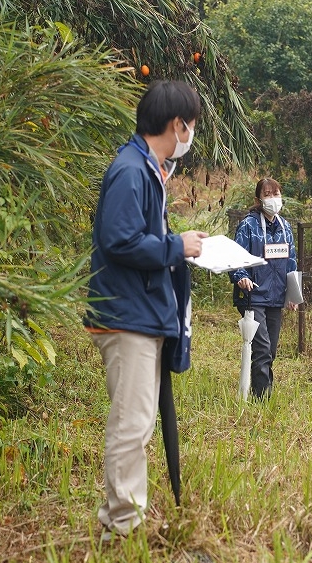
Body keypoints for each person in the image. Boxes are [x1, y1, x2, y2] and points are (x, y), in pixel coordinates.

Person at [84, 80, 208, 539]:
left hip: (142, 313)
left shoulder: (148, 169)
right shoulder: (131, 170)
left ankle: (123, 519)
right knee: (131, 423)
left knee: (137, 422)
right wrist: (178, 245)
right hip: (126, 315)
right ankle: (122, 527)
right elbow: (119, 240)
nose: (191, 135)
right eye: (191, 126)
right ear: (177, 125)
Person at [229, 177, 298, 400]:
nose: (273, 199)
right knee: (262, 348)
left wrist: (293, 293)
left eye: (276, 194)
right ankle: (262, 399)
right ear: (258, 199)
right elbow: (236, 258)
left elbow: (291, 262)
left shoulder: (285, 227)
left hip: (276, 297)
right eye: (267, 194)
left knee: (271, 350)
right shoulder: (248, 225)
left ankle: (259, 390)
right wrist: (241, 277)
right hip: (253, 296)